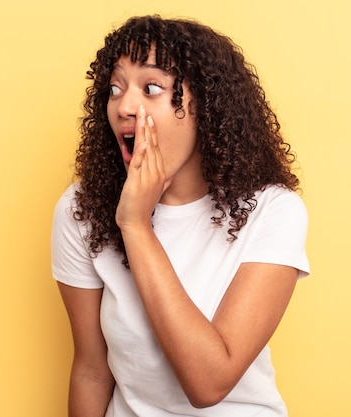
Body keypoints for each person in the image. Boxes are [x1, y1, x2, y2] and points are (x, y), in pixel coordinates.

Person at [51, 15, 310, 417]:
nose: (125, 106)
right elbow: (91, 370)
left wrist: (136, 225)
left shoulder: (273, 211)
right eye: (115, 89)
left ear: (206, 106)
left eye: (151, 88)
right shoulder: (82, 208)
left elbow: (209, 382)